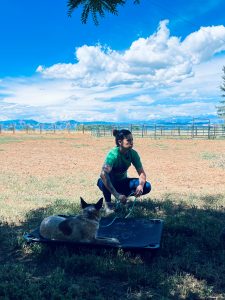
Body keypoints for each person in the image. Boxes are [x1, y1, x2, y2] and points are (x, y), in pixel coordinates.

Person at [97, 129, 151, 214]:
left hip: (123, 182)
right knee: (106, 178)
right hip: (109, 184)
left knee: (147, 186)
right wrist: (116, 195)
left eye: (132, 140)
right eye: (128, 140)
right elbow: (103, 174)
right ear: (120, 142)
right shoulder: (113, 154)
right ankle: (108, 204)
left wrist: (140, 186)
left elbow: (142, 173)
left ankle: (123, 198)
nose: (131, 142)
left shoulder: (133, 154)